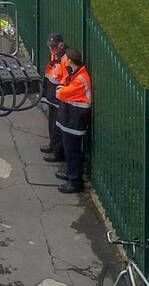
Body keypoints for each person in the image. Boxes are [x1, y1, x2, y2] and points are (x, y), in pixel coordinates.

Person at [54, 45, 94, 194]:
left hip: (75, 119)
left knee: (72, 150)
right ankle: (71, 173)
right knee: (69, 149)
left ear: (70, 61)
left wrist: (61, 87)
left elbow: (61, 93)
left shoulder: (80, 79)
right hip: (70, 118)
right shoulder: (76, 74)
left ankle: (75, 181)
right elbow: (63, 82)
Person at [38, 34, 71, 162]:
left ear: (61, 46)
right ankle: (52, 145)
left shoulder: (65, 59)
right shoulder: (56, 55)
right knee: (52, 124)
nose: (51, 49)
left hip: (59, 99)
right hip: (52, 97)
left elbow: (66, 79)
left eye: (53, 46)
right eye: (50, 46)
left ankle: (57, 153)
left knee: (57, 127)